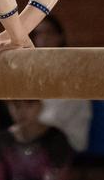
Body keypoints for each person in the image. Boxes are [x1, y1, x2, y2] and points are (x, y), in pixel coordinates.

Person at [0, 99, 73, 180]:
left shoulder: (56, 139)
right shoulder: (1, 140)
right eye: (16, 105)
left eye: (29, 104)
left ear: (40, 105)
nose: (21, 111)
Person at [29, 15, 92, 152]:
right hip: (38, 132)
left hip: (67, 137)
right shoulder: (33, 71)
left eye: (49, 32)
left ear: (60, 37)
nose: (44, 38)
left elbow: (57, 117)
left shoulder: (73, 70)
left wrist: (31, 122)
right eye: (39, 33)